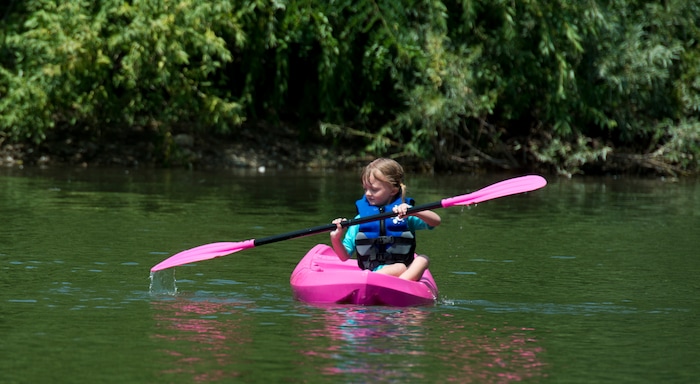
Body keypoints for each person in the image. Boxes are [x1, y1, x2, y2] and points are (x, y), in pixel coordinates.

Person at [330, 158, 441, 281]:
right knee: (399, 267)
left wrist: (414, 211)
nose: (367, 193)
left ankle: (402, 285)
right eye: (365, 189)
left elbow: (435, 221)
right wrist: (336, 239)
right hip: (371, 275)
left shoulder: (405, 215)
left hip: (402, 274)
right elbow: (344, 256)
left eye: (374, 189)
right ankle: (380, 281)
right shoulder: (360, 220)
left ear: (393, 190)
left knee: (422, 259)